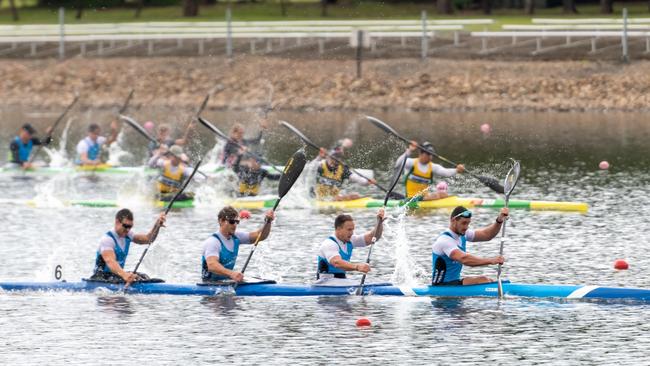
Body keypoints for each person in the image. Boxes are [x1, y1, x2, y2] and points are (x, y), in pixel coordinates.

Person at [431, 206, 508, 286]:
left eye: (468, 223)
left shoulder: (463, 234)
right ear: (453, 221)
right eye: (464, 223)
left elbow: (487, 235)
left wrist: (499, 220)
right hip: (442, 286)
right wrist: (491, 260)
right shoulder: (445, 241)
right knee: (483, 280)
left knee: (489, 280)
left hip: (454, 283)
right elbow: (464, 259)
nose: (466, 227)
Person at [90, 208, 166, 285]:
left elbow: (148, 239)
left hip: (116, 275)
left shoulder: (128, 235)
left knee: (143, 277)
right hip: (101, 278)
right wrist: (124, 275)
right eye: (126, 226)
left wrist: (157, 226)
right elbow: (110, 261)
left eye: (130, 226)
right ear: (117, 222)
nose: (128, 229)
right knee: (133, 278)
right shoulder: (107, 240)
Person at [201, 206, 275, 283]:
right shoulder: (213, 242)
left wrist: (268, 222)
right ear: (221, 221)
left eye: (237, 222)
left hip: (226, 282)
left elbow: (260, 236)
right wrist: (232, 274)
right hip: (209, 285)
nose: (235, 225)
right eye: (232, 222)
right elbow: (212, 265)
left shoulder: (236, 237)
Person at [316, 208, 384, 280]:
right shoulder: (329, 244)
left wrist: (379, 223)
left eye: (353, 229)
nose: (352, 233)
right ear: (338, 229)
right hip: (325, 284)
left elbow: (372, 238)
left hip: (340, 282)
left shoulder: (350, 240)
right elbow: (337, 263)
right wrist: (357, 267)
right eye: (349, 230)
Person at [395, 141, 465, 201]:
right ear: (420, 153)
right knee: (438, 195)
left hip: (425, 198)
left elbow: (445, 172)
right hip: (411, 198)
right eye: (428, 154)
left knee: (443, 194)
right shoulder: (411, 163)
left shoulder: (433, 167)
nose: (430, 156)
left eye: (431, 154)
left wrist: (457, 170)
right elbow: (398, 164)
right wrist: (409, 150)